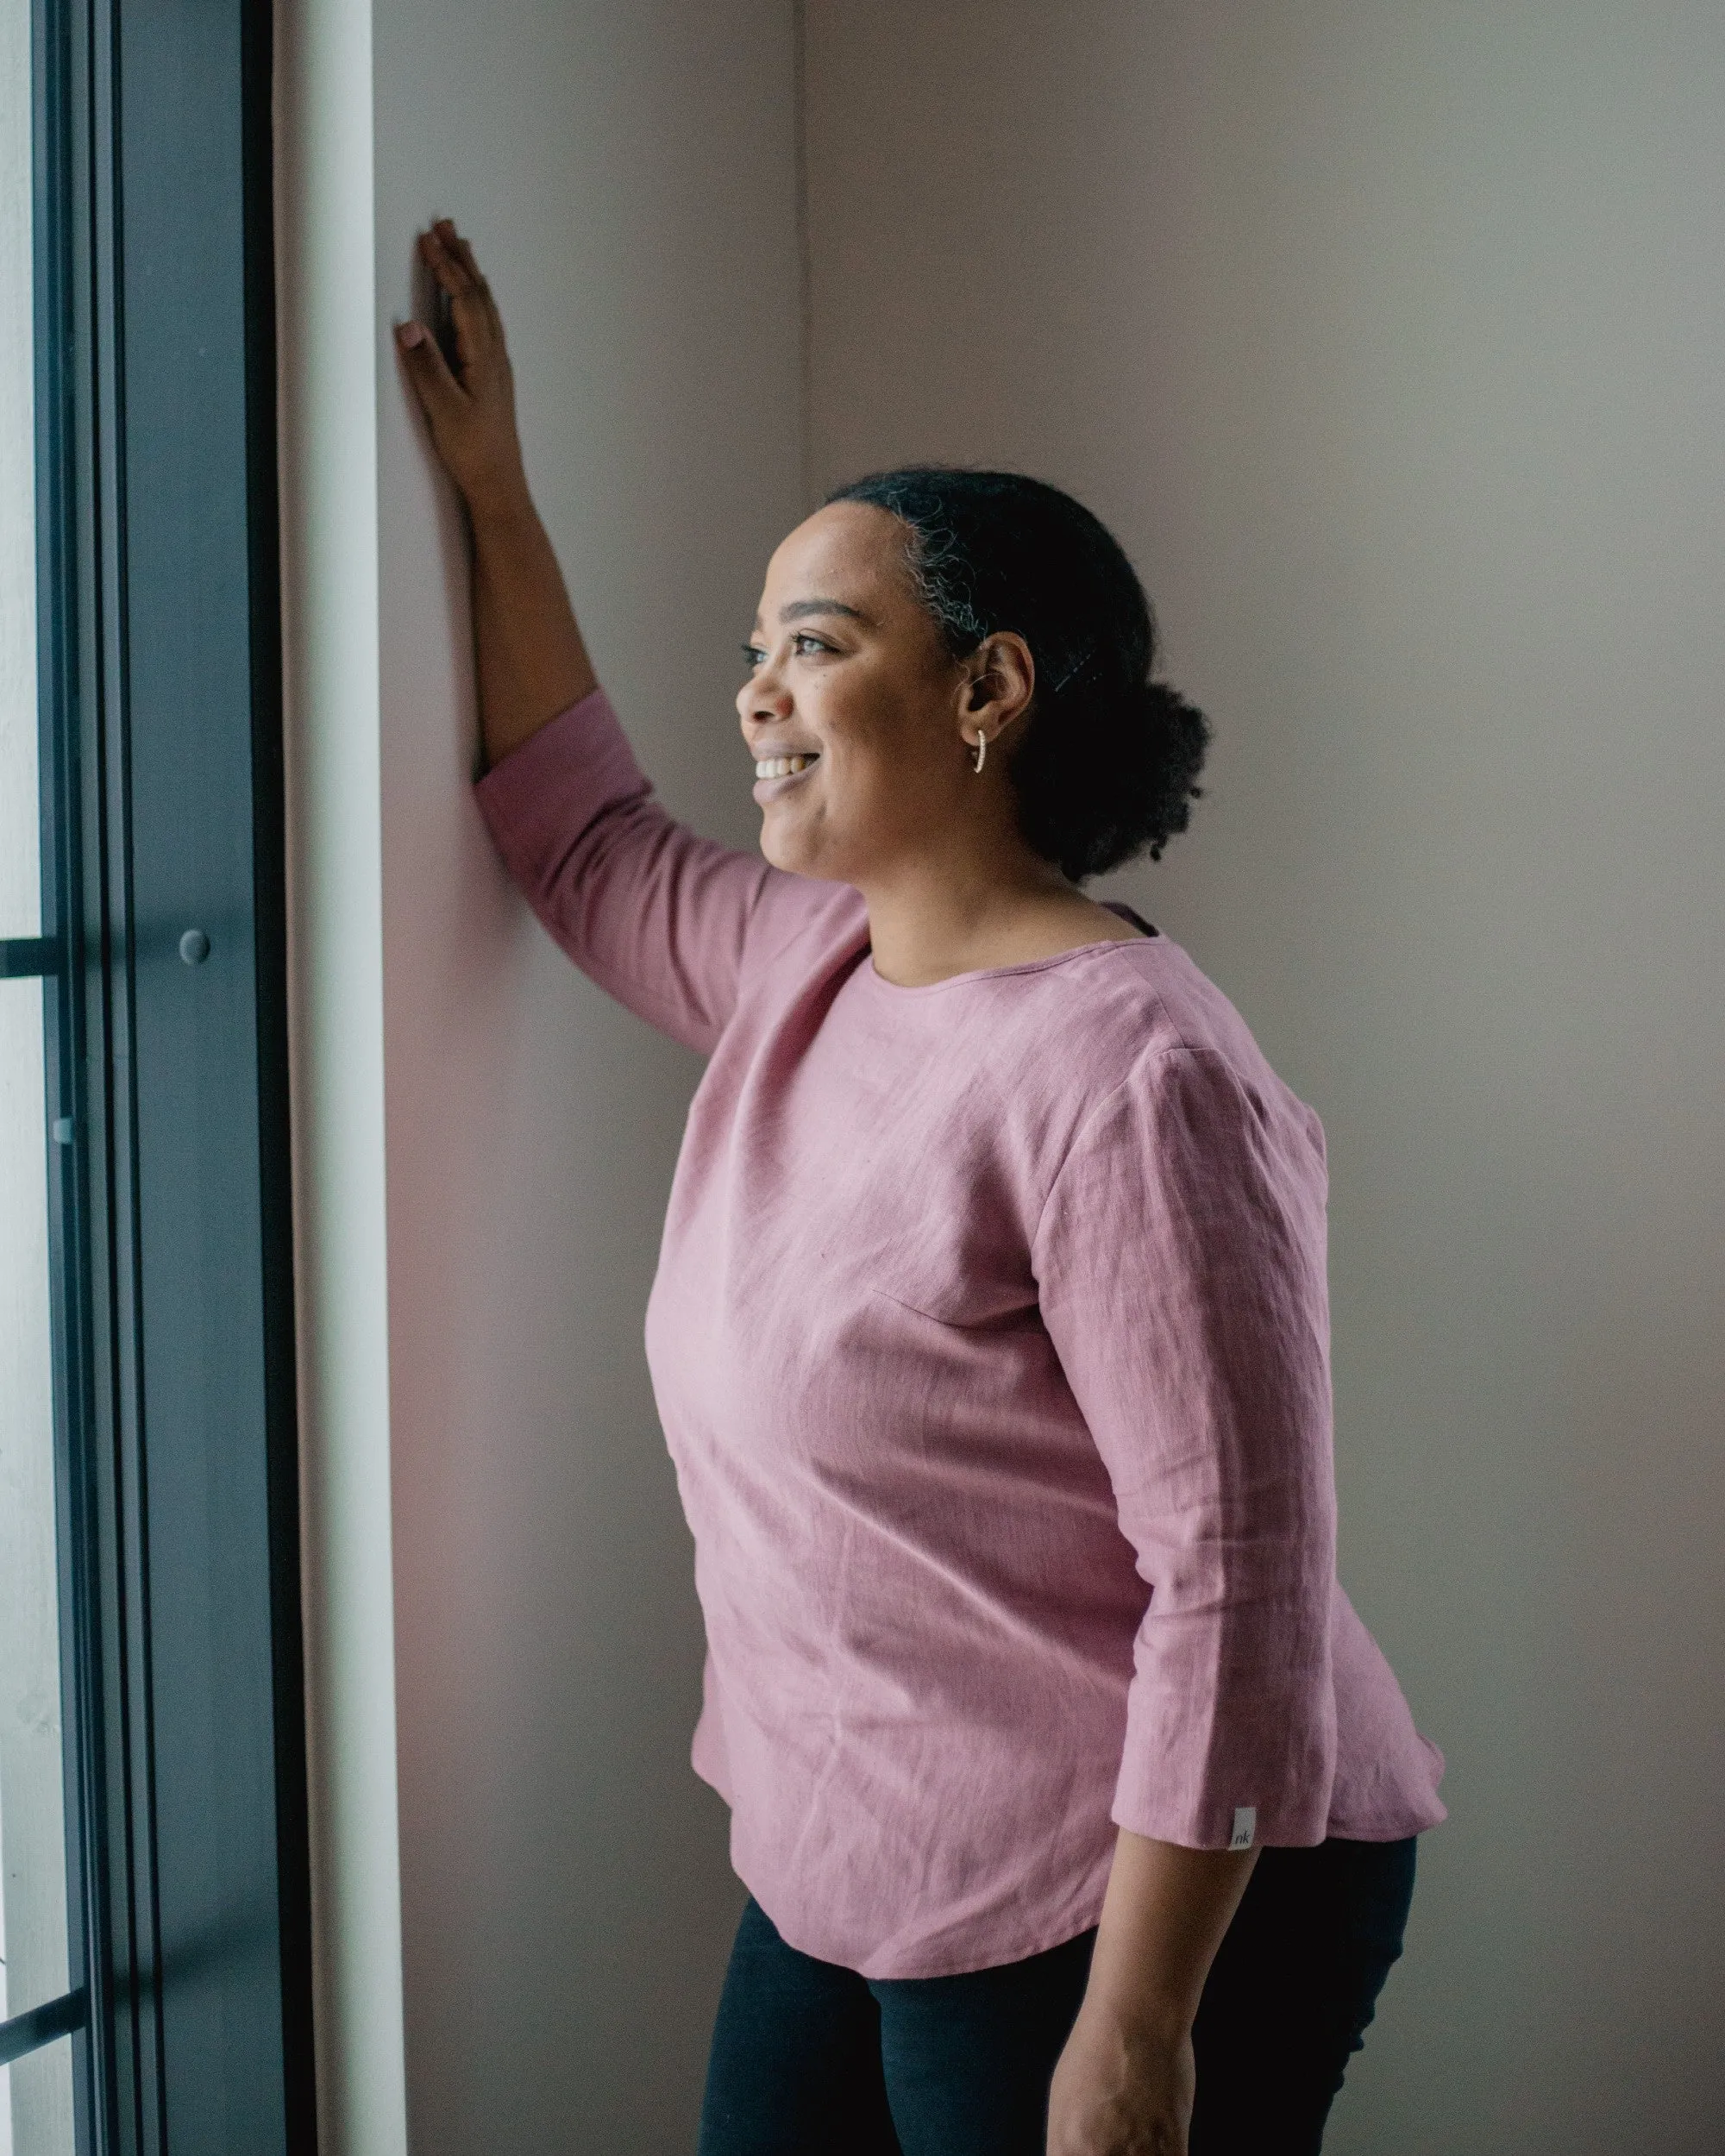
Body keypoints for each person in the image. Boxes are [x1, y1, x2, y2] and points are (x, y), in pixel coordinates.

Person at [396, 219, 1446, 2156]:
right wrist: (488, 494)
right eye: (752, 651)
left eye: (816, 642)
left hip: (1126, 1887)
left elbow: (1242, 1580)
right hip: (855, 1845)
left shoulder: (1136, 1074)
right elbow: (578, 828)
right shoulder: (811, 957)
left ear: (988, 690)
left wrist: (1138, 2030)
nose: (757, 694)